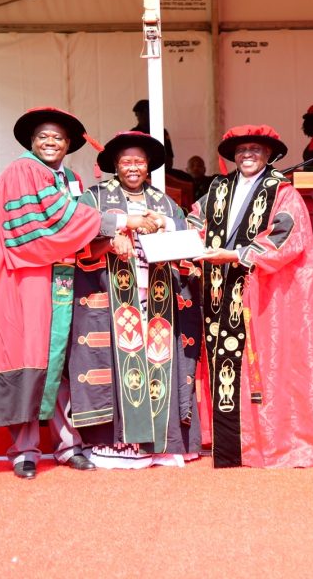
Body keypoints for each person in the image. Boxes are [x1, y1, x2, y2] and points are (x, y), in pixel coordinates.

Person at [0, 107, 159, 479]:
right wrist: (122, 221)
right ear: (32, 140)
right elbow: (54, 221)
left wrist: (106, 244)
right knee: (30, 360)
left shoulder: (71, 178)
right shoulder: (22, 171)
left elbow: (74, 234)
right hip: (24, 277)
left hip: (59, 278)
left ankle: (68, 445)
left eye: (58, 137)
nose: (50, 142)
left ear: (68, 145)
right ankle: (24, 450)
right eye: (43, 136)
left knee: (61, 364)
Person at [188, 124, 313, 468]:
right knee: (226, 367)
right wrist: (184, 238)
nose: (247, 155)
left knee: (264, 368)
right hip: (221, 292)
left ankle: (267, 442)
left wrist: (236, 256)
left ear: (269, 155)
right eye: (241, 150)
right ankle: (229, 441)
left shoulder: (282, 193)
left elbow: (286, 237)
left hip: (262, 296)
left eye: (255, 149)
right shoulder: (218, 189)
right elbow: (196, 219)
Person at [68, 131, 202, 468]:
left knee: (155, 365)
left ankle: (157, 443)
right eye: (126, 161)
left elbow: (185, 250)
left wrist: (167, 230)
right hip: (110, 297)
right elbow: (76, 240)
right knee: (121, 369)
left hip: (157, 297)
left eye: (139, 161)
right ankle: (119, 446)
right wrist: (112, 238)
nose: (132, 167)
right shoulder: (94, 197)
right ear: (115, 164)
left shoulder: (165, 202)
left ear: (148, 166)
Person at [132, 99, 174, 169]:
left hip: (160, 171)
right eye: (138, 115)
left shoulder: (161, 132)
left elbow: (169, 157)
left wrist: (166, 172)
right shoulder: (133, 134)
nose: (139, 118)